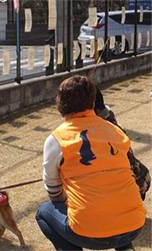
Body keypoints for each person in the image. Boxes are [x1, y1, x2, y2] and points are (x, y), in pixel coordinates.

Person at [35, 75, 146, 251]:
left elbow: (54, 192)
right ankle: (126, 248)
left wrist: (73, 203)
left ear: (60, 103)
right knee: (114, 199)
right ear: (93, 102)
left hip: (88, 234)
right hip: (134, 226)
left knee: (43, 212)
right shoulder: (114, 131)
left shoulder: (57, 139)